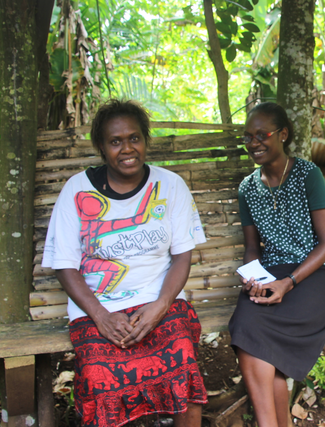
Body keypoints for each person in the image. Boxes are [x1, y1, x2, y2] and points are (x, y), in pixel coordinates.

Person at [42, 99, 207, 427]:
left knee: (184, 365)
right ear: (102, 149)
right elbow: (65, 265)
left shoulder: (170, 186)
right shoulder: (76, 191)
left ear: (146, 141)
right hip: (98, 308)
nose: (127, 148)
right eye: (115, 141)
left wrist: (160, 305)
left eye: (134, 138)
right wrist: (101, 316)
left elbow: (182, 256)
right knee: (100, 380)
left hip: (160, 301)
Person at [228, 102, 325, 427]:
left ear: (283, 134)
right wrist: (253, 278)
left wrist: (288, 282)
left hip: (317, 274)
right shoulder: (248, 188)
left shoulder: (308, 174)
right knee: (245, 325)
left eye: (262, 135)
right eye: (247, 137)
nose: (253, 143)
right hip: (272, 272)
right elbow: (252, 249)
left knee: (260, 340)